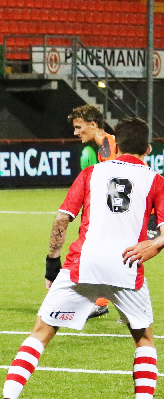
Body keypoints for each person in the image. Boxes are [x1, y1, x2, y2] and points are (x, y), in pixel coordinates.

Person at [0, 117, 164, 399]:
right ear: (148, 149)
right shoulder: (156, 181)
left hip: (83, 264)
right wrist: (154, 245)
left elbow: (63, 219)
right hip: (127, 266)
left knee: (41, 332)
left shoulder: (91, 173)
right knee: (144, 339)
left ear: (115, 144)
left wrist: (52, 262)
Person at [70, 104, 126, 318]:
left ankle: (106, 302)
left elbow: (118, 180)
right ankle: (102, 302)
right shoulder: (108, 144)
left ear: (93, 125)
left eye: (78, 127)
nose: (75, 132)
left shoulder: (107, 146)